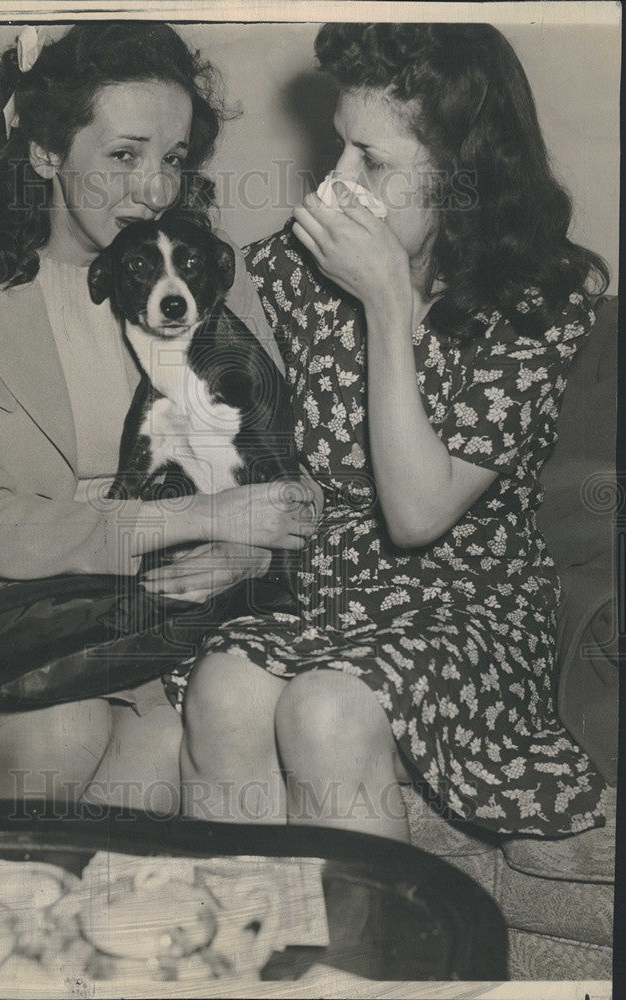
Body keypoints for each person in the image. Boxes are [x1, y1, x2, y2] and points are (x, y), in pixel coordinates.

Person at [0, 21, 318, 805]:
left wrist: (246, 552)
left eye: (172, 160)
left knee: (172, 731)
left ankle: (95, 925)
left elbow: (283, 469)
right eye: (123, 155)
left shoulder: (200, 271)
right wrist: (209, 517)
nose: (154, 191)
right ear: (44, 153)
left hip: (157, 590)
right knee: (62, 731)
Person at [166, 22, 610, 838]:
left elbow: (416, 513)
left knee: (326, 709)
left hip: (473, 611)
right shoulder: (290, 272)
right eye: (338, 149)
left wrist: (382, 304)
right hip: (330, 599)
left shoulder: (544, 293)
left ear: (461, 177)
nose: (333, 187)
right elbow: (188, 388)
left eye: (371, 162)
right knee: (223, 687)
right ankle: (251, 946)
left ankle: (382, 960)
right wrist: (234, 533)